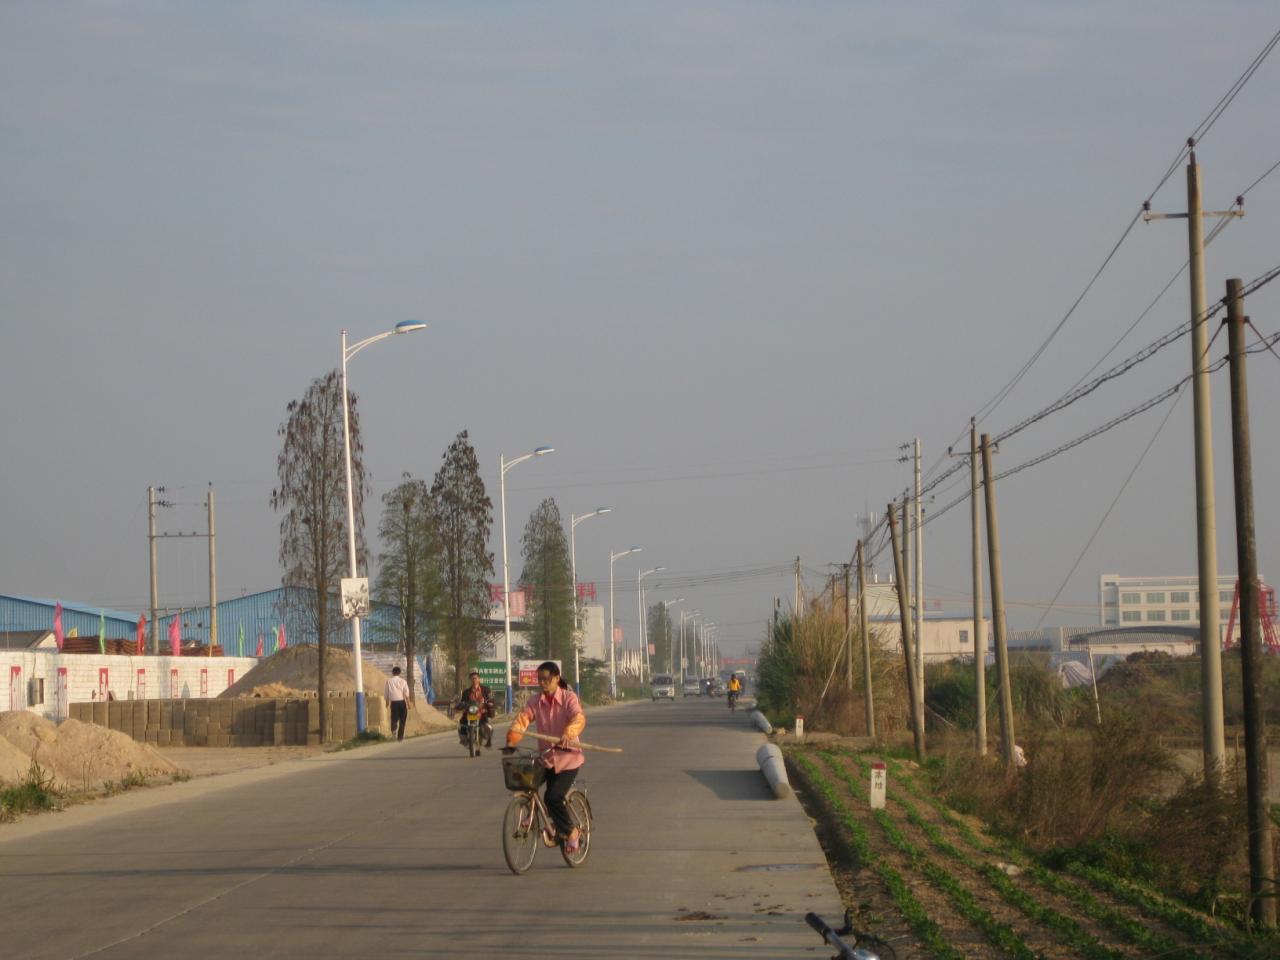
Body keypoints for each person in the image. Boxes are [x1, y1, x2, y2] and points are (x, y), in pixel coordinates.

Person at [504, 661, 585, 852]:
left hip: (568, 759)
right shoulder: (535, 701)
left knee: (552, 797)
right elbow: (522, 721)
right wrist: (511, 741)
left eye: (546, 679)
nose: (542, 683)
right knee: (526, 782)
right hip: (546, 758)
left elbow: (578, 718)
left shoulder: (568, 698)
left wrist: (568, 733)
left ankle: (572, 833)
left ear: (557, 679)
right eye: (539, 679)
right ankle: (531, 814)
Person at [457, 670, 494, 748]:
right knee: (462, 725)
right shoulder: (466, 692)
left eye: (476, 678)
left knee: (488, 725)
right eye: (472, 678)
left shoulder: (486, 690)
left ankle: (489, 740)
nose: (474, 680)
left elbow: (491, 699)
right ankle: (464, 740)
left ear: (479, 679)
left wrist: (490, 703)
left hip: (482, 712)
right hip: (470, 712)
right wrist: (459, 706)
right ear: (470, 680)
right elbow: (462, 702)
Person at [385, 666, 411, 741]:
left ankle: (394, 731)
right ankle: (400, 737)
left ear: (393, 673)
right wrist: (408, 704)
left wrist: (387, 703)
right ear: (399, 673)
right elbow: (406, 693)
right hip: (402, 702)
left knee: (394, 719)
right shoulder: (403, 681)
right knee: (403, 720)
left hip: (394, 703)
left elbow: (386, 693)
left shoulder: (389, 681)